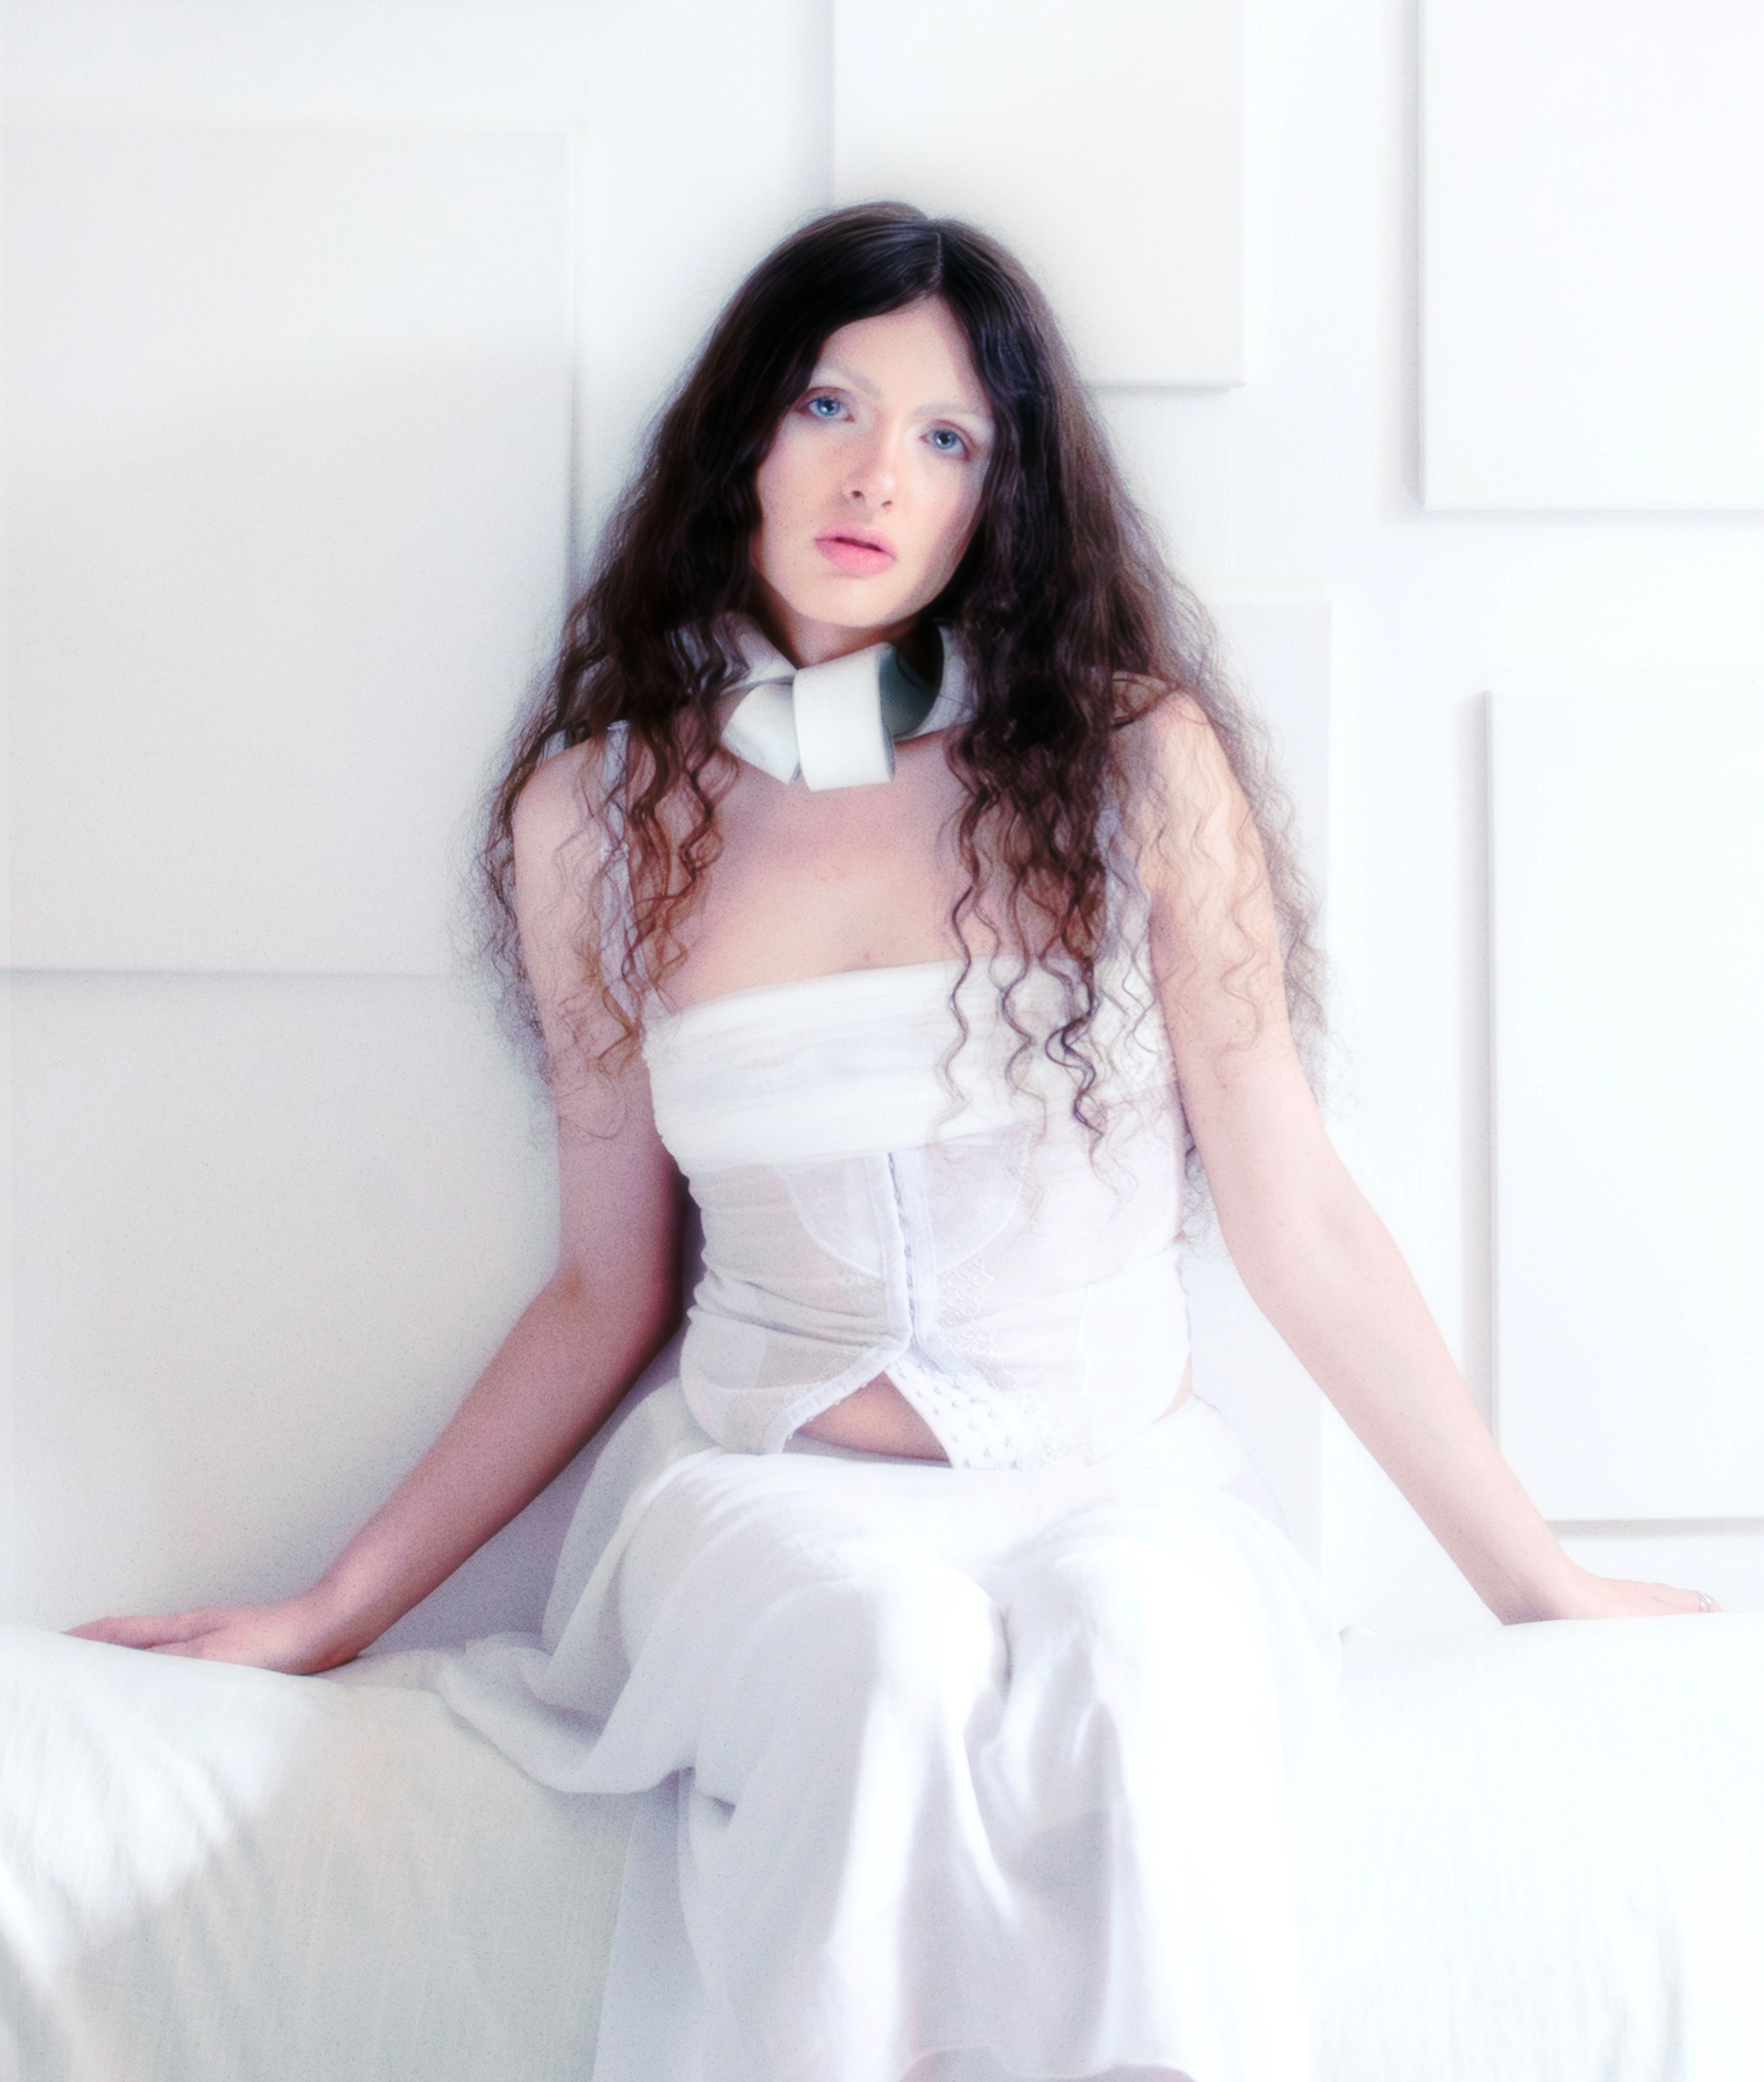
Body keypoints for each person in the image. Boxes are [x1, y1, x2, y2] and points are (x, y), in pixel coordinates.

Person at [74, 203, 1715, 2082]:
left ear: (999, 500)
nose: (876, 475)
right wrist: (327, 1608)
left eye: (948, 438)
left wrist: (1539, 1579)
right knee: (881, 1657)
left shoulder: (1135, 763)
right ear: (743, 440)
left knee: (1138, 1655)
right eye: (830, 406)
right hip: (770, 1495)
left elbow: (1300, 1215)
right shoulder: (597, 817)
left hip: (1121, 1483)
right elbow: (604, 1286)